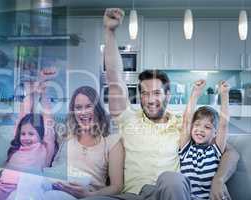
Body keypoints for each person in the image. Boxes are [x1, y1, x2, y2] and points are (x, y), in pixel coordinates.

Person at [81, 8, 239, 200]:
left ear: (168, 95)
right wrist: (110, 32)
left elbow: (230, 152)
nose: (150, 99)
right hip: (133, 195)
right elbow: (114, 76)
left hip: (168, 192)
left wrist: (219, 180)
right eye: (145, 93)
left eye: (156, 93)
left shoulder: (185, 125)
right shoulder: (128, 119)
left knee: (173, 179)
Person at [0, 80, 56, 200]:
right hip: (2, 186)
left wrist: (44, 94)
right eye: (23, 134)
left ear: (41, 135)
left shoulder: (43, 147)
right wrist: (30, 94)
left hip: (23, 188)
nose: (26, 138)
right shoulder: (19, 145)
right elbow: (22, 116)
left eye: (31, 134)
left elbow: (48, 121)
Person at [42, 86, 124, 200]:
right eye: (78, 107)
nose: (83, 112)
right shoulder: (67, 133)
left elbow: (117, 186)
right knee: (25, 183)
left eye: (89, 106)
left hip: (87, 195)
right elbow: (47, 118)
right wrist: (42, 89)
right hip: (53, 185)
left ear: (97, 109)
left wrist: (90, 195)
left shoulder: (111, 141)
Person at [179, 80, 230, 199]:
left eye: (207, 127)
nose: (200, 130)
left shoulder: (215, 151)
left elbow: (224, 124)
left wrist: (224, 95)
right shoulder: (186, 150)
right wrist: (195, 93)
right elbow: (187, 119)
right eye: (196, 125)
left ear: (215, 133)